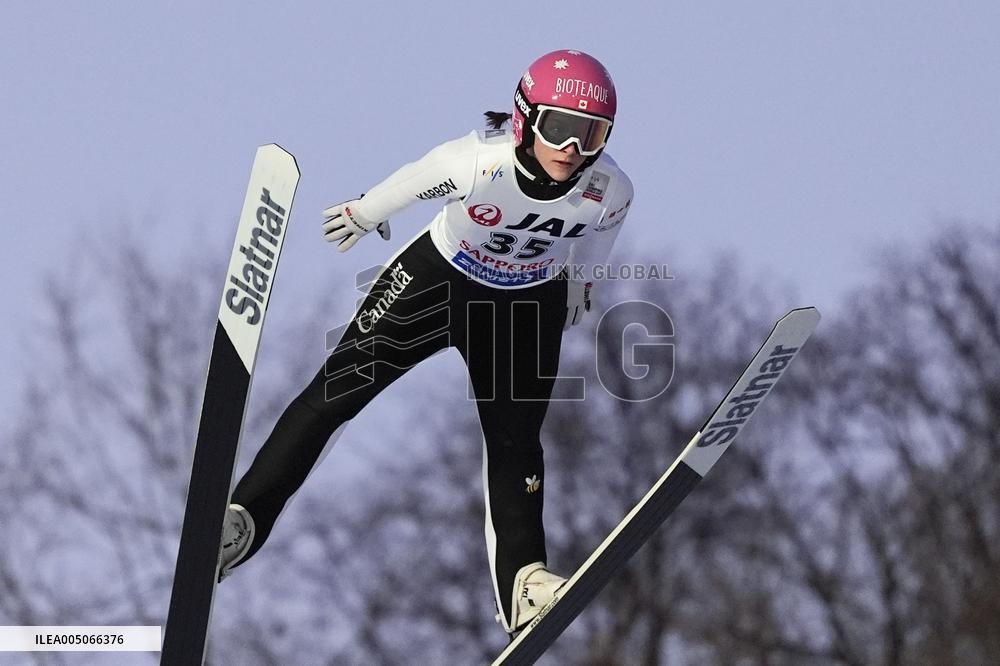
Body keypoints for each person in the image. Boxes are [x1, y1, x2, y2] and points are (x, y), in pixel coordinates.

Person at [218, 48, 634, 637]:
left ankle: (525, 584)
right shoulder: (478, 161)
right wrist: (364, 213)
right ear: (524, 119)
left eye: (591, 134)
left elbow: (604, 230)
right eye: (559, 128)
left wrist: (583, 283)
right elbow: (415, 181)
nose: (573, 148)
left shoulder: (609, 187)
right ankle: (243, 521)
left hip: (524, 305)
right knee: (334, 395)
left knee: (516, 442)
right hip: (439, 282)